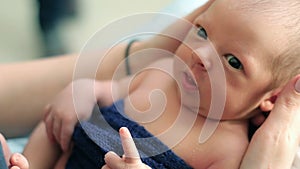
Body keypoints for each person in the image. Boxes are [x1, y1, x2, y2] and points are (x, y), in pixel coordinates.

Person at [21, 0, 300, 168]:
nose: (200, 55)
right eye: (202, 31)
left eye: (233, 61)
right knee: (54, 124)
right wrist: (83, 91)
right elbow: (108, 91)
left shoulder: (229, 150)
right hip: (61, 157)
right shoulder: (162, 73)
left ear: (272, 98)